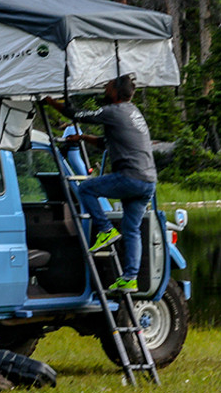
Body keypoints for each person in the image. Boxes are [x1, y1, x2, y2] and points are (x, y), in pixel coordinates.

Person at [44, 74, 156, 293]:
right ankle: (130, 278)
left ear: (115, 91)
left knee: (85, 188)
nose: (105, 87)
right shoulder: (133, 113)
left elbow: (75, 114)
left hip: (130, 177)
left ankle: (105, 229)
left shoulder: (113, 111)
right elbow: (106, 143)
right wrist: (82, 138)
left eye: (108, 85)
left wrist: (50, 102)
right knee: (131, 228)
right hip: (148, 181)